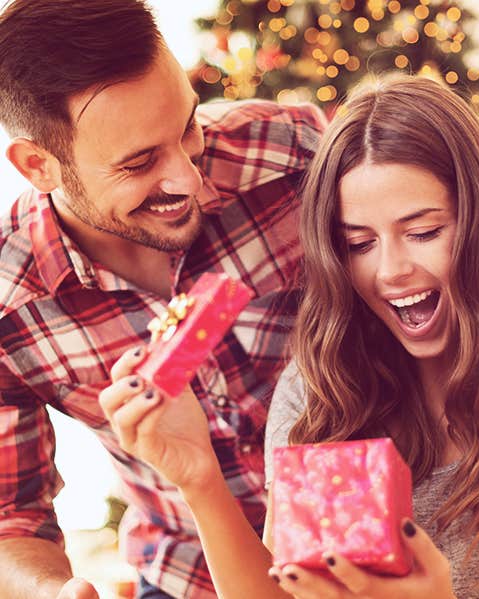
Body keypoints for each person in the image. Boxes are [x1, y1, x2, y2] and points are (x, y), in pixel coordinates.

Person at [98, 75, 479, 599]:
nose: (391, 270)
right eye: (359, 243)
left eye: (424, 232)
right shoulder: (319, 391)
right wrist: (198, 479)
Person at [0, 1, 325, 597]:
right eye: (141, 162)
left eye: (187, 128)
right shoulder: (7, 306)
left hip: (363, 545)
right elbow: (10, 517)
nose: (190, 180)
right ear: (39, 165)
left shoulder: (293, 153)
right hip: (188, 573)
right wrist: (52, 591)